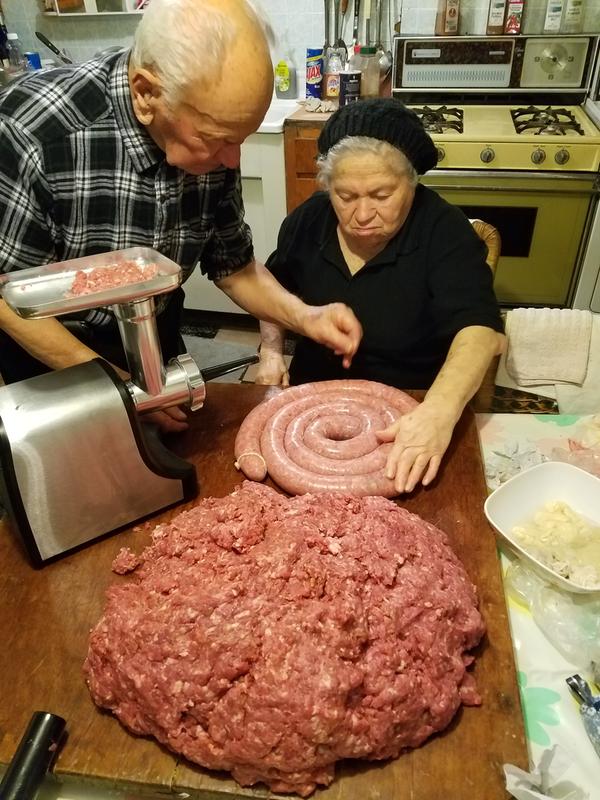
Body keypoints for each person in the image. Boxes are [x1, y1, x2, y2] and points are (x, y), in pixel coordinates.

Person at [0, 0, 361, 432]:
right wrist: (116, 391)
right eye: (217, 140)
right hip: (53, 351)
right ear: (146, 93)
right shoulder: (31, 131)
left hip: (155, 332)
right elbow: (5, 297)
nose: (232, 160)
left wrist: (307, 317)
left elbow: (235, 268)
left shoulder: (215, 141)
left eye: (240, 139)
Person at [255, 97, 506, 494]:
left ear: (412, 182)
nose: (362, 213)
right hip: (310, 407)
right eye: (346, 196)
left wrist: (438, 413)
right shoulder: (308, 220)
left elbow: (481, 332)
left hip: (409, 405)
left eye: (381, 195)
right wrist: (270, 352)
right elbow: (271, 289)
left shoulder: (445, 231)